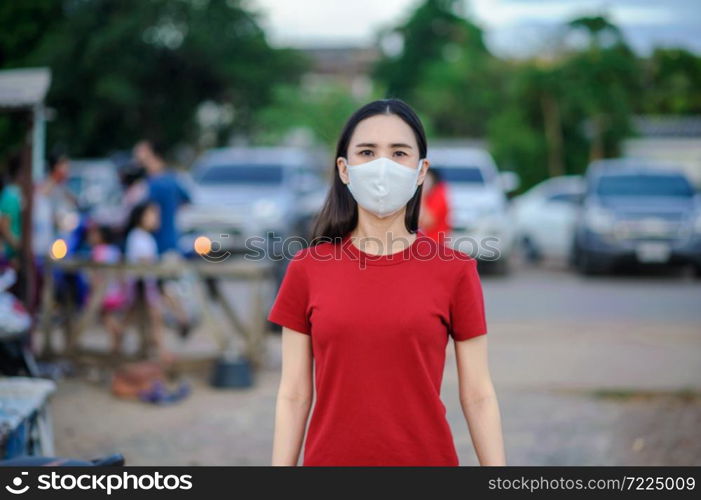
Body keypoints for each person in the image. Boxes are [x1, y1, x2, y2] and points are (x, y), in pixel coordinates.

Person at [268, 98, 505, 466]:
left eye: (399, 152)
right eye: (367, 152)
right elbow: (294, 394)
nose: (382, 166)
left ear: (421, 170)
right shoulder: (307, 268)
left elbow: (478, 394)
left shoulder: (455, 270)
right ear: (344, 170)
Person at [124, 201, 174, 364]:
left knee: (150, 319)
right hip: (142, 285)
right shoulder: (138, 237)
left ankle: (154, 351)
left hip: (147, 284)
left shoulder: (146, 237)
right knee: (153, 319)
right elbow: (144, 262)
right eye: (151, 215)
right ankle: (160, 353)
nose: (155, 219)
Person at [132, 139, 190, 257]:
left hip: (155, 247)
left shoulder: (152, 184)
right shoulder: (173, 178)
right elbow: (186, 201)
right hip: (170, 243)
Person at [86, 222, 129, 356]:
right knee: (109, 316)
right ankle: (115, 345)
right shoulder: (114, 251)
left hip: (104, 292)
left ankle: (118, 333)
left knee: (106, 316)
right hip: (115, 290)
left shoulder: (98, 251)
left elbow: (96, 274)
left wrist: (94, 288)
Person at [419, 167, 452, 245]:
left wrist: (422, 194)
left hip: (434, 244)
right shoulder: (429, 194)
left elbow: (428, 222)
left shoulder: (438, 194)